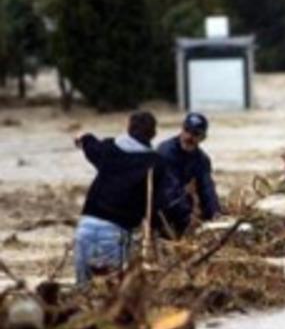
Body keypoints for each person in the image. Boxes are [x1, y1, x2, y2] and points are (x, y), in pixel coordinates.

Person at [73, 111, 189, 284]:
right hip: (115, 233)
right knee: (111, 291)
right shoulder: (154, 163)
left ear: (128, 127)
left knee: (83, 291)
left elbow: (92, 147)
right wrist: (177, 227)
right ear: (153, 134)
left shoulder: (109, 149)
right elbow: (159, 204)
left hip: (85, 226)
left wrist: (83, 137)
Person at [157, 112, 221, 226]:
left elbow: (207, 188)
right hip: (162, 210)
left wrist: (214, 212)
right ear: (181, 129)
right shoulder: (166, 152)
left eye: (195, 133)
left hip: (182, 206)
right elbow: (169, 190)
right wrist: (188, 215)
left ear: (203, 138)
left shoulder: (202, 159)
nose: (189, 137)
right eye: (187, 130)